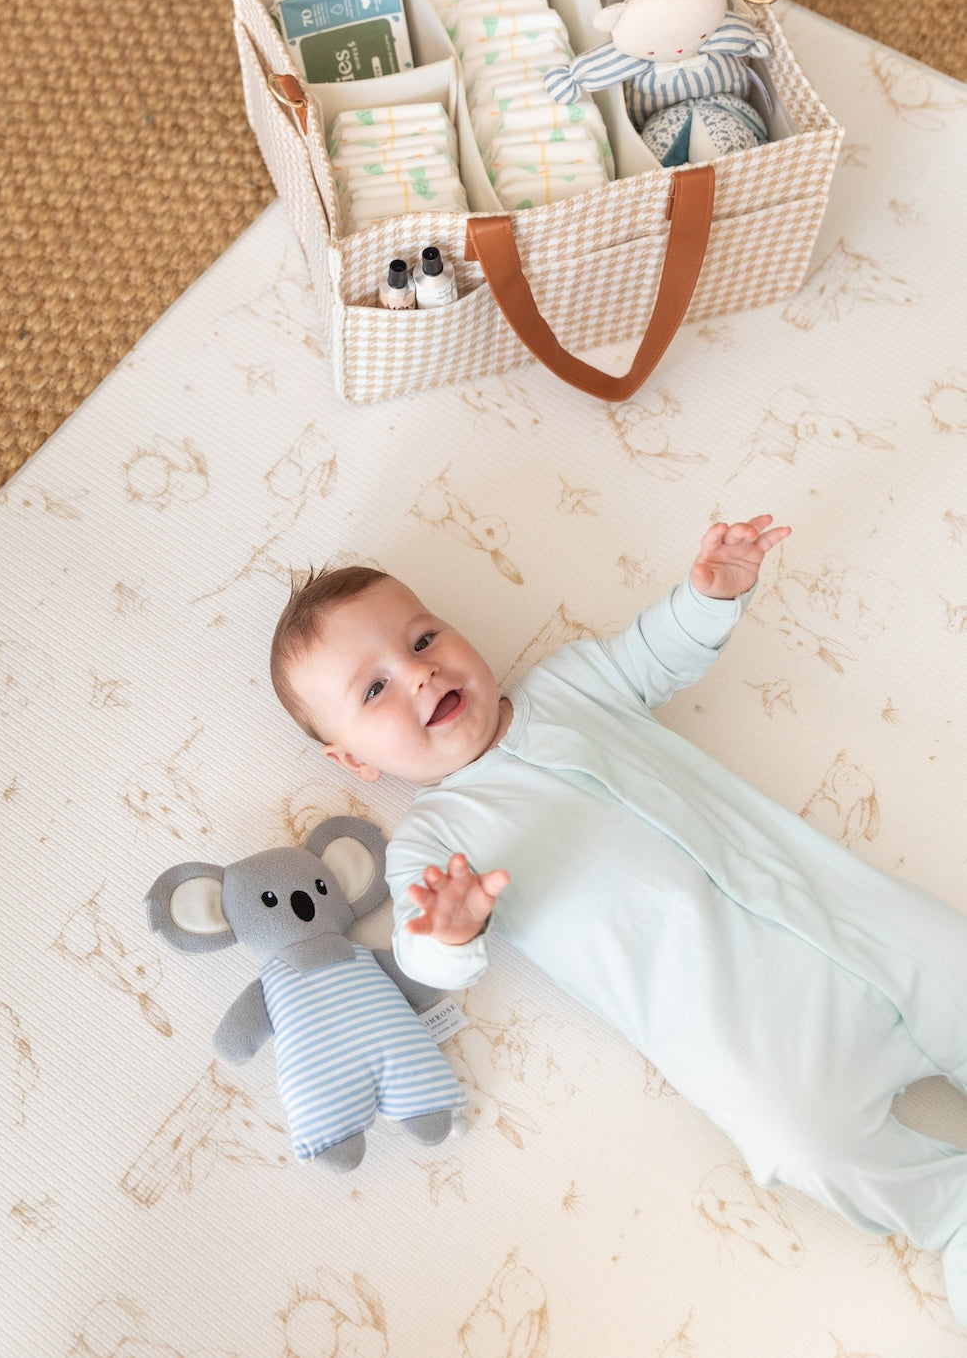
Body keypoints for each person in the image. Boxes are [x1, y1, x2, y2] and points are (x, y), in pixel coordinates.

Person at [269, 517, 967, 1325]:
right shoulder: (436, 842)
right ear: (354, 761)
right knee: (802, 1139)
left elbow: (655, 650)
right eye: (374, 689)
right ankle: (947, 1210)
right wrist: (449, 930)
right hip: (742, 1030)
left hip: (840, 909)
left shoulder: (569, 686)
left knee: (950, 963)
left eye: (423, 639)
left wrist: (709, 594)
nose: (418, 674)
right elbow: (425, 961)